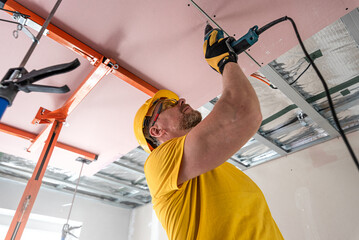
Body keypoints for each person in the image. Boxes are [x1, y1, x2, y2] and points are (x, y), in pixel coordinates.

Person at [133, 26, 284, 240]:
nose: (181, 101)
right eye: (168, 104)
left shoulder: (221, 168)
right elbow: (242, 112)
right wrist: (224, 61)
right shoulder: (157, 164)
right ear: (156, 130)